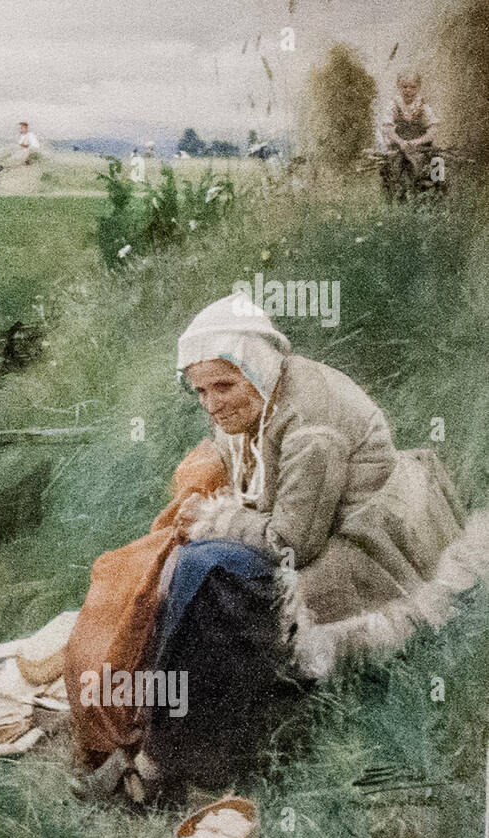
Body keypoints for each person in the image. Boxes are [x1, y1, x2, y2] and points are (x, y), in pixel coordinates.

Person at [70, 291, 484, 804]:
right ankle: (166, 743)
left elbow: (291, 545)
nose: (212, 403)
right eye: (201, 391)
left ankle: (176, 764)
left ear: (258, 370)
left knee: (211, 575)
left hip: (362, 556)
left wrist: (221, 520)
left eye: (223, 386)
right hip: (319, 536)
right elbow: (240, 464)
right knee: (182, 567)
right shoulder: (263, 397)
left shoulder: (311, 424)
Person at [381, 70, 439, 197]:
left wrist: (417, 141)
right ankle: (397, 195)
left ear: (418, 87)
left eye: (413, 87)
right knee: (393, 166)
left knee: (438, 162)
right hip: (400, 145)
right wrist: (400, 141)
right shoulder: (394, 105)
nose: (408, 91)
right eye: (405, 87)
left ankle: (436, 195)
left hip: (421, 146)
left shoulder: (422, 106)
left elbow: (433, 128)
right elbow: (388, 128)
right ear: (399, 86)